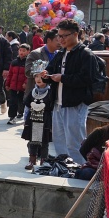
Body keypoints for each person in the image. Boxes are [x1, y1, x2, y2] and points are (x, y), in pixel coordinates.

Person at [42, 19, 95, 163]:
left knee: (74, 141)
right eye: (59, 36)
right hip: (58, 103)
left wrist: (63, 78)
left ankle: (80, 167)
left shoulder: (85, 54)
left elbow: (87, 79)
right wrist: (46, 75)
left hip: (75, 103)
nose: (61, 39)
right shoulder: (61, 53)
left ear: (76, 34)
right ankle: (63, 166)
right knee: (59, 139)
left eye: (64, 36)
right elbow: (51, 69)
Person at [21, 76, 54, 170]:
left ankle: (44, 161)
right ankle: (32, 161)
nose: (38, 79)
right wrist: (25, 118)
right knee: (33, 141)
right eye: (36, 77)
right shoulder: (33, 91)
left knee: (44, 142)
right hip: (33, 119)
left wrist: (53, 122)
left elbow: (53, 109)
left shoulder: (51, 92)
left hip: (45, 120)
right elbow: (27, 107)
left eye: (41, 77)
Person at [25, 29, 59, 95]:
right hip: (37, 93)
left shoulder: (60, 54)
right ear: (49, 40)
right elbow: (28, 71)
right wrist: (43, 73)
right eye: (57, 40)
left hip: (54, 92)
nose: (60, 42)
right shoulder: (35, 54)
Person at [5, 43, 30, 124]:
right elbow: (10, 74)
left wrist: (26, 83)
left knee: (22, 101)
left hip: (23, 87)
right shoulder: (14, 62)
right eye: (20, 50)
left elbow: (29, 74)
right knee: (12, 101)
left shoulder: (28, 62)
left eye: (24, 51)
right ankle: (12, 117)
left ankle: (21, 113)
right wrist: (7, 84)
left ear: (28, 52)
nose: (21, 52)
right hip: (13, 86)